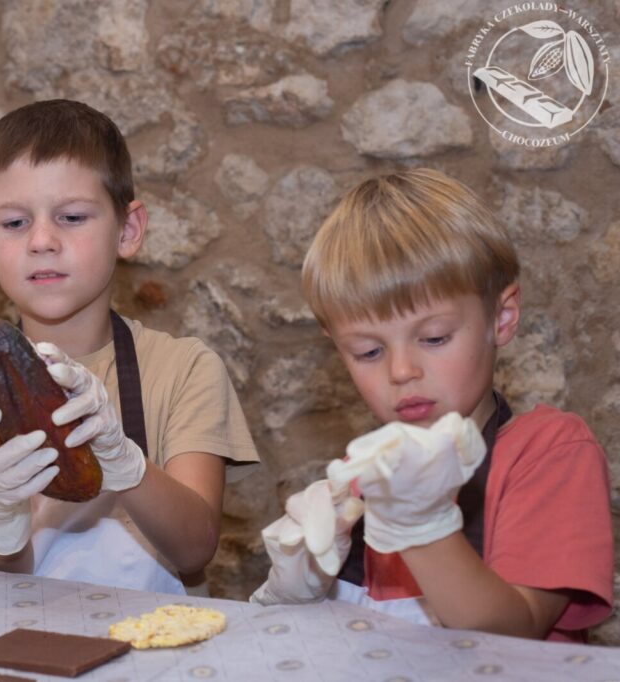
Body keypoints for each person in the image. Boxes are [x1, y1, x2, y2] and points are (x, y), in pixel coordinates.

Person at [0, 99, 259, 594]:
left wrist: (125, 462)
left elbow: (195, 548)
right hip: (18, 643)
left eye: (72, 217)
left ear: (128, 229)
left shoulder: (186, 369)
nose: (42, 241)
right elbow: (4, 574)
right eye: (14, 223)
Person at [254, 168, 612, 642]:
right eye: (368, 351)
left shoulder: (548, 452)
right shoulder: (362, 474)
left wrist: (421, 527)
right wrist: (295, 591)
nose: (402, 370)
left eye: (434, 337)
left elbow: (515, 629)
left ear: (500, 318)